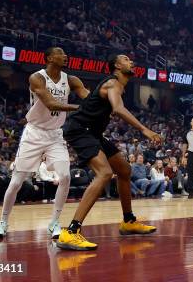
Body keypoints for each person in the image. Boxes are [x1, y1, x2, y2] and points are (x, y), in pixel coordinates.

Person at [57, 54, 161, 251]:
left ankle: (128, 221)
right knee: (104, 173)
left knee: (124, 170)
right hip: (80, 130)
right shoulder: (113, 83)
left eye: (131, 59)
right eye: (126, 59)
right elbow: (119, 109)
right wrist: (144, 129)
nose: (131, 61)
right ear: (116, 65)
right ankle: (70, 232)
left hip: (93, 133)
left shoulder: (117, 85)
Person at [0, 47, 89, 239]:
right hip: (34, 133)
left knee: (65, 177)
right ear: (50, 57)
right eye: (61, 53)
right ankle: (3, 222)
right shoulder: (37, 77)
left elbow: (88, 95)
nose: (66, 55)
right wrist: (80, 108)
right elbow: (51, 103)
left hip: (55, 135)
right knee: (16, 181)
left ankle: (54, 223)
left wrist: (102, 102)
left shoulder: (71, 80)